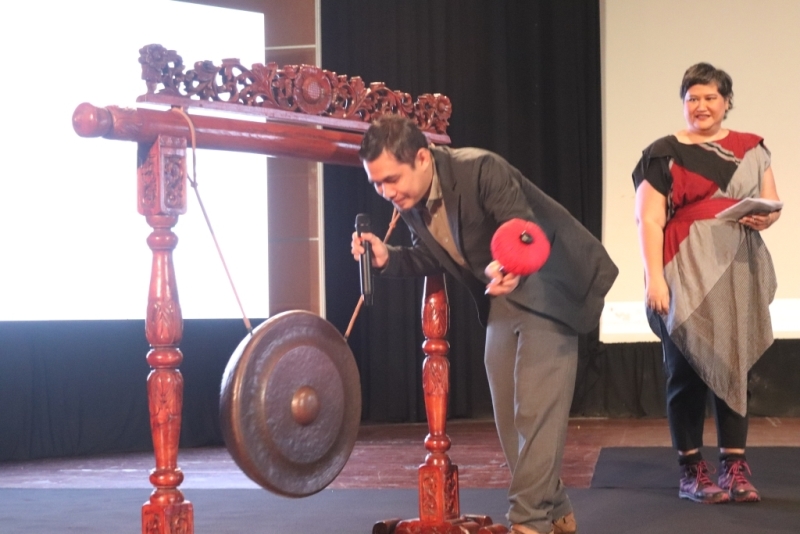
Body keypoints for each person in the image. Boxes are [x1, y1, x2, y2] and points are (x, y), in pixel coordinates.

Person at [352, 114, 618, 534]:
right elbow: (434, 255)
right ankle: (556, 508)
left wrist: (509, 262)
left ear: (421, 158)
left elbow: (519, 224)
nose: (386, 192)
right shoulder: (412, 203)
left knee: (535, 411)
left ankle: (528, 522)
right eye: (376, 184)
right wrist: (388, 257)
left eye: (391, 179)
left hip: (546, 283)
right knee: (508, 418)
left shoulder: (479, 168)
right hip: (501, 298)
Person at [633, 62, 781, 504]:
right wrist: (654, 280)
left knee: (735, 365)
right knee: (686, 370)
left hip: (736, 267)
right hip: (685, 266)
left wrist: (766, 218)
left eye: (710, 97)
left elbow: (771, 203)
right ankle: (691, 470)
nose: (701, 106)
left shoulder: (752, 148)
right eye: (692, 98)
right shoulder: (663, 153)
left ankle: (734, 467)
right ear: (683, 103)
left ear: (726, 102)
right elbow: (648, 220)